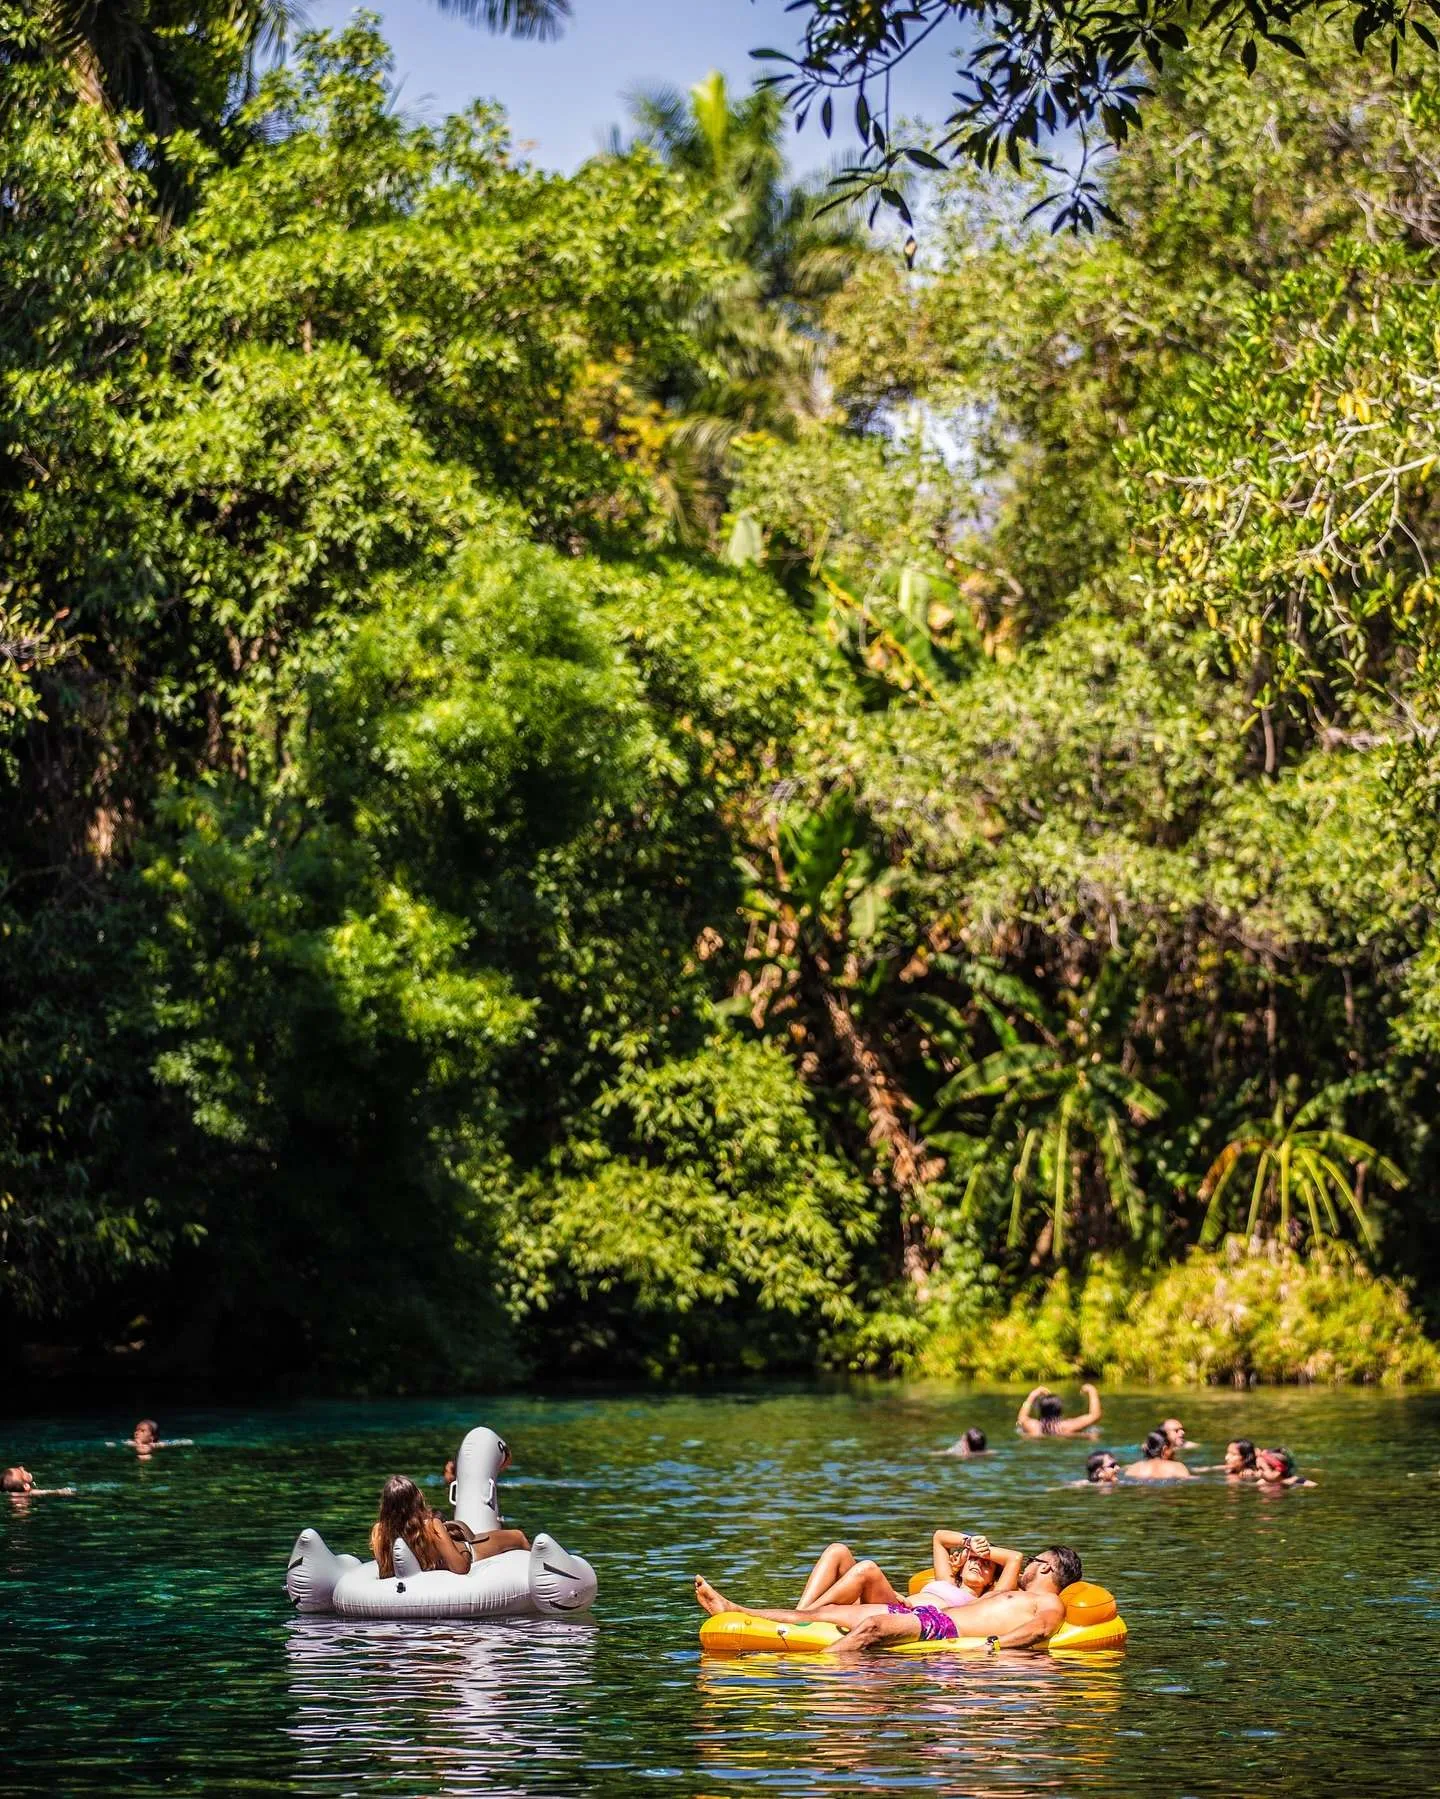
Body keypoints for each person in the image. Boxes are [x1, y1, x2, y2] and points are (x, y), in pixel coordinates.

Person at [696, 1546, 1083, 1654]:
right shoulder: (1019, 1592)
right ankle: (735, 1609)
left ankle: (815, 1671)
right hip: (930, 1613)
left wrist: (993, 1645)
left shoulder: (1050, 1603)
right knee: (827, 1611)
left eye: (1037, 1561)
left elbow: (1039, 1630)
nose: (1030, 1564)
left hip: (946, 1627)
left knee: (874, 1627)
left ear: (1049, 1569)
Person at [794, 1531, 1020, 1611]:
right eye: (974, 1560)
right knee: (838, 1550)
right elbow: (939, 1537)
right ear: (961, 1565)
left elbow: (1014, 1557)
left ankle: (801, 1617)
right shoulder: (947, 1580)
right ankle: (801, 1611)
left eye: (986, 1565)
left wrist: (984, 1552)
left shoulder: (984, 1601)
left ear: (992, 1581)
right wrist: (970, 1542)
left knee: (868, 1569)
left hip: (901, 1613)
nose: (978, 1564)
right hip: (890, 1602)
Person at [370, 1475, 473, 1578]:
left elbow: (384, 1574)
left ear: (385, 1506)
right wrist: (465, 1548)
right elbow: (461, 1568)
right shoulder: (432, 1526)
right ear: (416, 1501)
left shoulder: (378, 1532)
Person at [1016, 1383, 1102, 1438]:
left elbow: (1021, 1418)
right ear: (1060, 1409)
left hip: (1037, 1438)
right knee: (1092, 1435)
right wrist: (1092, 1391)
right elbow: (1095, 1416)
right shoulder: (1068, 1426)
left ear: (1040, 1409)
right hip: (1066, 1436)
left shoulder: (1032, 1426)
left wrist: (1032, 1395)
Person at [1125, 1429, 1192, 1480]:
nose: (1173, 1451)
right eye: (1172, 1447)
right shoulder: (1177, 1467)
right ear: (1164, 1449)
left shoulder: (1133, 1468)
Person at [4, 1466, 76, 1497]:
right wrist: (59, 1491)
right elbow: (46, 1492)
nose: (21, 1467)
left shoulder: (9, 1491)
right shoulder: (30, 1493)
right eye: (20, 1471)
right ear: (25, 1486)